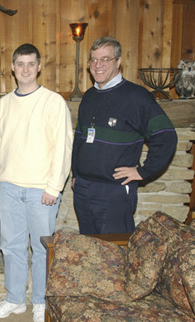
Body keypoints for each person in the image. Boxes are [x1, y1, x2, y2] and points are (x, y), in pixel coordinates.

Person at [0, 43, 73, 322]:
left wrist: (54, 187)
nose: (25, 69)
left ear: (39, 67)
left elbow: (63, 146)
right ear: (12, 68)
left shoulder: (53, 102)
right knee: (11, 246)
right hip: (9, 187)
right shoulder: (3, 104)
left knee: (40, 248)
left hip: (41, 189)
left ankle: (40, 300)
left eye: (30, 64)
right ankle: (14, 299)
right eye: (20, 64)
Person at [71, 36, 178, 235]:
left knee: (116, 254)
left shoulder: (137, 97)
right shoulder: (88, 96)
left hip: (114, 192)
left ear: (118, 61)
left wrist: (143, 172)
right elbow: (80, 139)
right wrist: (76, 175)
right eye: (93, 60)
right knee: (90, 255)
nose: (98, 65)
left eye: (105, 59)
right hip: (84, 190)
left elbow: (166, 135)